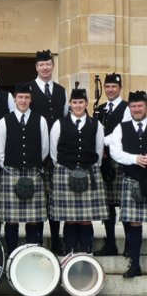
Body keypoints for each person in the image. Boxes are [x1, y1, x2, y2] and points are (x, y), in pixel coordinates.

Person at [50, 88, 107, 254]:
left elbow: (98, 149)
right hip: (65, 172)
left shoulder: (96, 124)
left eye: (81, 102)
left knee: (85, 219)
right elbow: (54, 152)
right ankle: (70, 251)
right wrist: (65, 167)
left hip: (89, 172)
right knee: (70, 219)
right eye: (74, 102)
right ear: (70, 104)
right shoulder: (59, 124)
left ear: (86, 103)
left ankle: (86, 251)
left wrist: (88, 166)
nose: (77, 105)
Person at [0, 83, 49, 254]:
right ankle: (12, 253)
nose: (23, 101)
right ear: (15, 99)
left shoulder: (40, 120)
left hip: (33, 172)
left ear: (30, 99)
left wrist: (34, 164)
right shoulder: (4, 121)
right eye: (20, 97)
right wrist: (9, 168)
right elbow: (0, 150)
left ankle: (30, 252)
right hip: (11, 172)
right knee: (11, 220)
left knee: (33, 219)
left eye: (26, 97)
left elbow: (45, 148)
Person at [29, 49, 68, 254]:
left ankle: (55, 238)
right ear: (36, 67)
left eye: (48, 64)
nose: (45, 68)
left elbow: (65, 119)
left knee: (56, 198)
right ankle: (35, 239)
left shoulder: (61, 91)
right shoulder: (28, 89)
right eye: (41, 65)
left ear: (53, 66)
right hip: (35, 152)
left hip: (57, 154)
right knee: (36, 198)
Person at [110, 90, 147, 278]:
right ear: (130, 108)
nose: (137, 109)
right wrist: (135, 158)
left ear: (145, 107)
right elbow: (115, 151)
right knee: (133, 223)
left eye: (140, 106)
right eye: (133, 106)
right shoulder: (121, 127)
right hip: (132, 180)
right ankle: (135, 264)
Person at [94, 73, 131, 256]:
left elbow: (121, 133)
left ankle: (129, 244)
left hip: (121, 160)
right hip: (104, 161)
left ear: (120, 88)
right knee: (107, 205)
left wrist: (104, 144)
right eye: (107, 86)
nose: (110, 90)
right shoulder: (100, 108)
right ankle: (110, 243)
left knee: (125, 203)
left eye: (113, 87)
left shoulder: (126, 108)